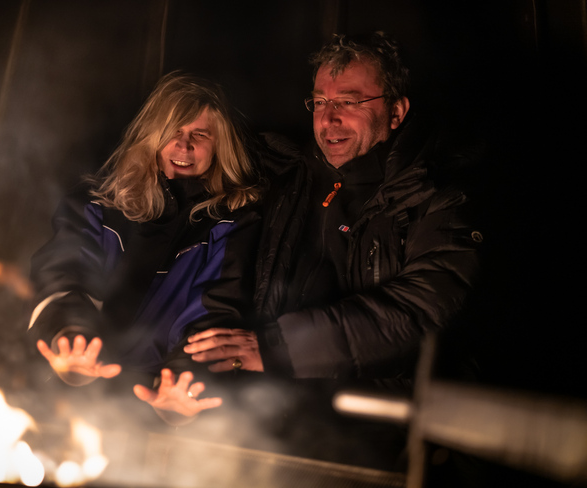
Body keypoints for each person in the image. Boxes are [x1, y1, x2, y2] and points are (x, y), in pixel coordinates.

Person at [183, 32, 483, 466]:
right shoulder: (281, 180)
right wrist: (189, 371)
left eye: (349, 101)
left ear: (395, 111)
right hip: (265, 416)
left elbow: (421, 310)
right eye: (320, 102)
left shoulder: (436, 196)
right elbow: (218, 278)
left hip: (382, 429)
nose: (329, 119)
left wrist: (277, 347)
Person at [27, 72, 260, 423]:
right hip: (63, 400)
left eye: (200, 134)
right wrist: (72, 338)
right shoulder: (96, 204)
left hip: (156, 409)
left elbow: (214, 314)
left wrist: (183, 383)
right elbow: (62, 275)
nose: (184, 146)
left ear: (219, 146)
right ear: (152, 136)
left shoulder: (232, 223)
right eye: (173, 132)